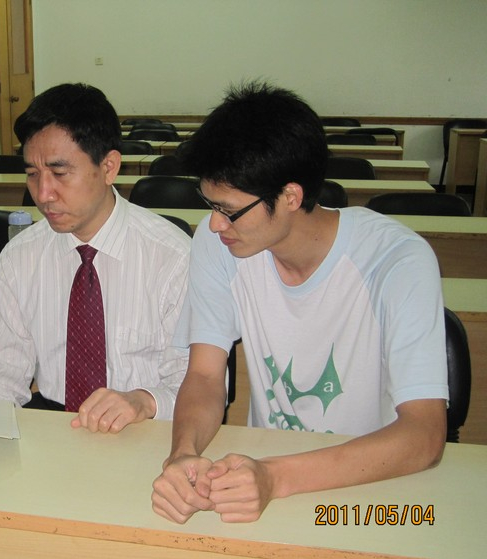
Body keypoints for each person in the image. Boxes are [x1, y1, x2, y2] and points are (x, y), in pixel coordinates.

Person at [151, 82, 448, 523]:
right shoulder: (219, 246)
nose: (214, 224)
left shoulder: (397, 261)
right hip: (260, 475)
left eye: (228, 210)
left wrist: (276, 478)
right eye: (209, 204)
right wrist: (183, 454)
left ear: (291, 196)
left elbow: (424, 435)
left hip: (372, 486)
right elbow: (205, 375)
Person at [0, 83, 190, 433]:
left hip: (145, 428)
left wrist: (144, 400)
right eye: (32, 174)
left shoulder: (172, 258)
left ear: (109, 167)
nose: (43, 194)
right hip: (53, 427)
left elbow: (199, 388)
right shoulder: (19, 257)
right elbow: (0, 375)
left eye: (60, 173)